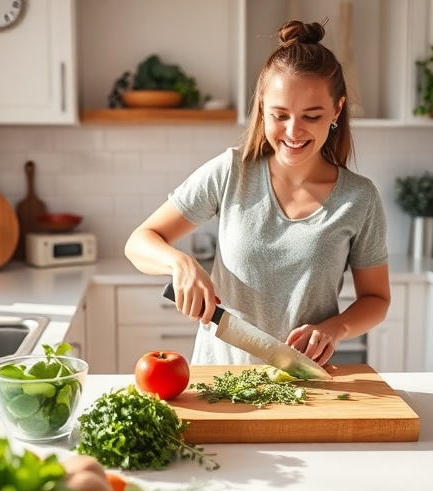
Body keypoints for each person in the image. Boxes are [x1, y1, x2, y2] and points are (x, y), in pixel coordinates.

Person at [124, 20, 390, 367]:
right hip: (219, 377)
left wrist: (335, 328)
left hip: (300, 384)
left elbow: (376, 299)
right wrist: (180, 264)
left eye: (312, 116)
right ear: (262, 105)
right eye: (280, 115)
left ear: (337, 110)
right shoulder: (231, 172)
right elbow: (139, 242)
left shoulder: (359, 199)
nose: (293, 132)